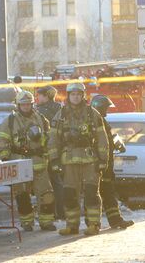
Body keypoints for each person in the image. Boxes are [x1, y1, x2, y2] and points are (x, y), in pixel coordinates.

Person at [48, 82, 109, 236]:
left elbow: (102, 138)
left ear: (83, 96)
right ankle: (72, 225)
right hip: (69, 162)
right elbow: (53, 139)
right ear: (68, 96)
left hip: (90, 161)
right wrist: (54, 160)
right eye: (73, 94)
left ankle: (94, 224)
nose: (76, 97)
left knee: (91, 194)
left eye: (78, 94)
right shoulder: (60, 115)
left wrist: (103, 160)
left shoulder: (92, 113)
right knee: (69, 194)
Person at [0, 90, 56, 231]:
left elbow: (50, 139)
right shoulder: (10, 121)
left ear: (32, 104)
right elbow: (2, 139)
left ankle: (46, 222)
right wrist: (5, 157)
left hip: (39, 162)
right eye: (23, 104)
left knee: (46, 194)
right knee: (22, 195)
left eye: (28, 104)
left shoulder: (41, 119)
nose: (26, 107)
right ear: (18, 105)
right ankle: (27, 222)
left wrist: (50, 154)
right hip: (19, 163)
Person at [90, 95, 134, 229]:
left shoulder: (102, 121)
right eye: (105, 108)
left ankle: (115, 220)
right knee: (98, 194)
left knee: (108, 192)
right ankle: (95, 223)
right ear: (99, 107)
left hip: (105, 164)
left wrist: (116, 143)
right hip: (98, 165)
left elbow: (107, 141)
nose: (107, 111)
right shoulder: (95, 122)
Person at [36, 85, 64, 220]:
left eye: (39, 95)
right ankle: (62, 210)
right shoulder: (60, 108)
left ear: (46, 96)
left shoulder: (40, 111)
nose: (37, 98)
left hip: (46, 151)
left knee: (47, 183)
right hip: (60, 150)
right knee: (59, 181)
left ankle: (51, 212)